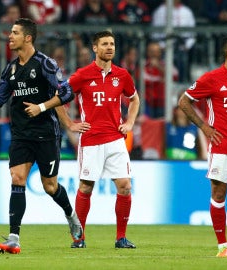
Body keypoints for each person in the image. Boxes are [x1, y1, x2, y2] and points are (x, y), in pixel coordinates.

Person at [0, 18, 83, 254]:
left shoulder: (45, 64)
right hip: (21, 135)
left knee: (50, 186)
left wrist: (41, 107)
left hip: (46, 134)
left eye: (14, 33)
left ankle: (71, 216)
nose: (9, 36)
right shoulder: (9, 69)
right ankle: (14, 238)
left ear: (28, 37)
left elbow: (67, 92)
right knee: (17, 178)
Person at [56, 30, 140, 249]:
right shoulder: (82, 75)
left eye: (112, 43)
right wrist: (70, 124)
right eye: (104, 44)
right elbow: (58, 100)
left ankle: (121, 237)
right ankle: (78, 238)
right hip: (91, 140)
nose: (109, 47)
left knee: (125, 186)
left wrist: (130, 122)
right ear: (95, 48)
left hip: (115, 138)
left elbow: (134, 99)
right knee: (85, 187)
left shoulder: (122, 74)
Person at [178, 34, 227, 257]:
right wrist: (204, 127)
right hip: (222, 148)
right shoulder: (212, 79)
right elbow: (184, 101)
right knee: (219, 195)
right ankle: (223, 246)